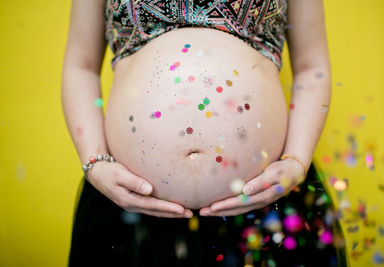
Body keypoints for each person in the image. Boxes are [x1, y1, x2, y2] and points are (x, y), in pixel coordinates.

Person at [62, 0, 347, 266]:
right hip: (128, 206)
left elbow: (312, 68)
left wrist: (296, 162)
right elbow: (81, 67)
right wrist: (95, 164)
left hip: (266, 202)